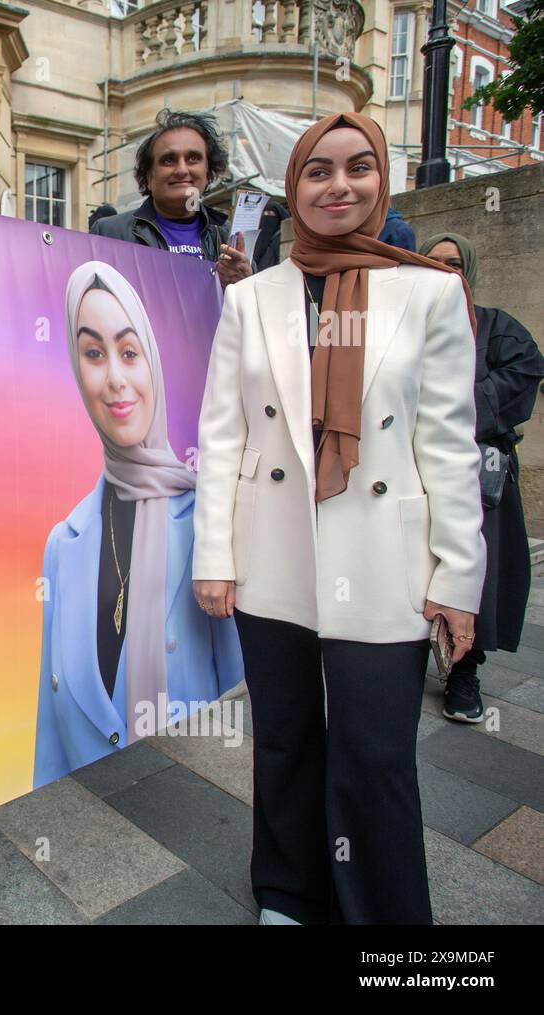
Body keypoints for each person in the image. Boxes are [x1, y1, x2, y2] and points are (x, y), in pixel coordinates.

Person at [192, 112, 485, 925]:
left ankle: (385, 918)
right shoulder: (252, 298)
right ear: (294, 188)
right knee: (285, 741)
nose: (338, 185)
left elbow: (451, 447)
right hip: (273, 558)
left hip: (386, 557)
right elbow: (221, 436)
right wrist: (213, 553)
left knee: (378, 755)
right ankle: (287, 893)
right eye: (318, 171)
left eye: (358, 168)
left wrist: (458, 580)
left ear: (381, 182)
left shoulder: (430, 291)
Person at [34, 261, 244, 788]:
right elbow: (48, 737)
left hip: (192, 808)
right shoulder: (64, 544)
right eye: (93, 354)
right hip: (89, 831)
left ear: (153, 360)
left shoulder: (210, 518)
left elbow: (245, 694)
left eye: (129, 352)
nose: (115, 380)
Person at [420, 231, 544, 722]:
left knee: (475, 576)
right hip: (411, 472)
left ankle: (464, 671)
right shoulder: (404, 327)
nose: (443, 270)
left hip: (477, 478)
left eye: (452, 262)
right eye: (431, 262)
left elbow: (522, 376)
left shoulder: (497, 328)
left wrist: (450, 409)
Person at [90, 109, 252, 288]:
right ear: (148, 177)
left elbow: (257, 310)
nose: (182, 170)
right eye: (168, 160)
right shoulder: (111, 233)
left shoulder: (230, 237)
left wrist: (245, 284)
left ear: (208, 172)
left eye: (193, 158)